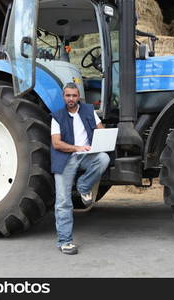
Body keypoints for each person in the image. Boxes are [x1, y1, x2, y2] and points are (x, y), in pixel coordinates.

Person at [51, 82, 110, 255]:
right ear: (64, 97)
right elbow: (56, 143)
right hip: (65, 158)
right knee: (63, 201)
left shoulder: (88, 110)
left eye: (74, 96)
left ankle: (84, 186)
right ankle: (65, 241)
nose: (71, 99)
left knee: (103, 158)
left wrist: (101, 140)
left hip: (86, 156)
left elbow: (101, 130)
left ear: (79, 97)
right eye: (68, 95)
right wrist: (77, 148)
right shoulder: (57, 116)